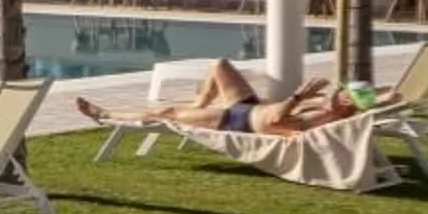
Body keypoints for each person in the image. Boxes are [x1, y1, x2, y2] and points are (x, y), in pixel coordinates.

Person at [75, 61, 355, 136]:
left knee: (166, 112)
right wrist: (314, 99)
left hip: (237, 120)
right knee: (219, 65)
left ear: (345, 109)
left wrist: (298, 97)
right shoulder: (326, 108)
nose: (335, 94)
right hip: (249, 107)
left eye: (341, 96)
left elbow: (276, 119)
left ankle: (105, 115)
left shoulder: (323, 118)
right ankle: (200, 103)